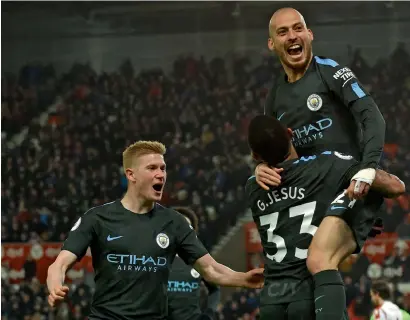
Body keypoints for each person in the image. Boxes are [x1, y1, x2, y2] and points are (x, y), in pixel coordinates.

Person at [255, 7, 388, 319]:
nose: (292, 36)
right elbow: (269, 151)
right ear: (272, 44)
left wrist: (368, 169)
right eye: (283, 32)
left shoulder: (330, 71)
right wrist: (258, 167)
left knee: (318, 261)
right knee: (298, 278)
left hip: (350, 185)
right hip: (313, 194)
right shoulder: (274, 96)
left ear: (309, 33)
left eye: (297, 28)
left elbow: (372, 116)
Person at [47, 141, 263, 320]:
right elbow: (59, 264)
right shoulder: (98, 218)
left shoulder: (174, 222)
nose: (161, 174)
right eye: (152, 168)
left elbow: (211, 270)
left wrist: (243, 279)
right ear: (131, 175)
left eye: (163, 168)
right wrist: (55, 285)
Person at [245, 115, 405, 320]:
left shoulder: (253, 187)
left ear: (256, 156)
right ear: (290, 133)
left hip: (270, 303)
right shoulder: (327, 165)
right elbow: (395, 187)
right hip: (313, 294)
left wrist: (259, 168)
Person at [167, 207, 220, 320]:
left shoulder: (199, 261)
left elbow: (215, 290)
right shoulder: (155, 259)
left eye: (187, 226)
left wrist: (208, 314)